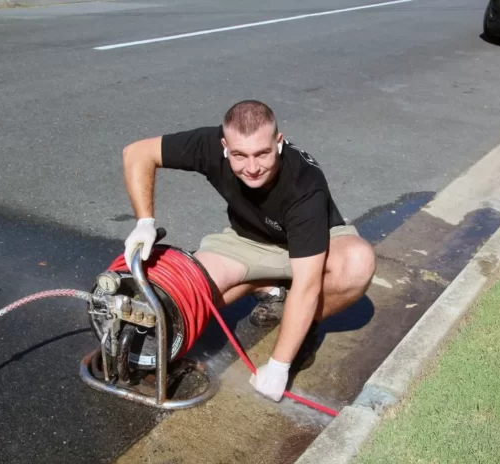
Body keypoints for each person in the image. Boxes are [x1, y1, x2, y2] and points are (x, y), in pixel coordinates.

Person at [121, 100, 376, 402]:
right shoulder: (209, 145)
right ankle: (265, 284)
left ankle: (305, 329)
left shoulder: (304, 185)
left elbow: (308, 286)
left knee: (357, 263)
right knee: (179, 302)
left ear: (278, 143)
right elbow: (137, 153)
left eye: (262, 153)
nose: (252, 168)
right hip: (248, 242)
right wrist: (145, 222)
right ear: (225, 145)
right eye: (240, 155)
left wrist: (279, 366)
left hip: (316, 244)